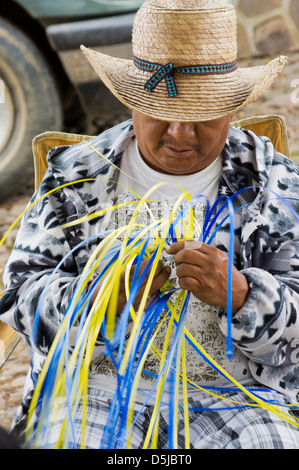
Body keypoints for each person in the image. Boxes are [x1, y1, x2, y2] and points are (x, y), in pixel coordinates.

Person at [1, 0, 299, 449]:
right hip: (91, 392)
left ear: (233, 108)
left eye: (202, 115)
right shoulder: (77, 175)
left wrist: (242, 295)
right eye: (161, 111)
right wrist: (104, 299)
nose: (181, 134)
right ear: (131, 101)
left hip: (237, 398)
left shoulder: (274, 183)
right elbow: (18, 296)